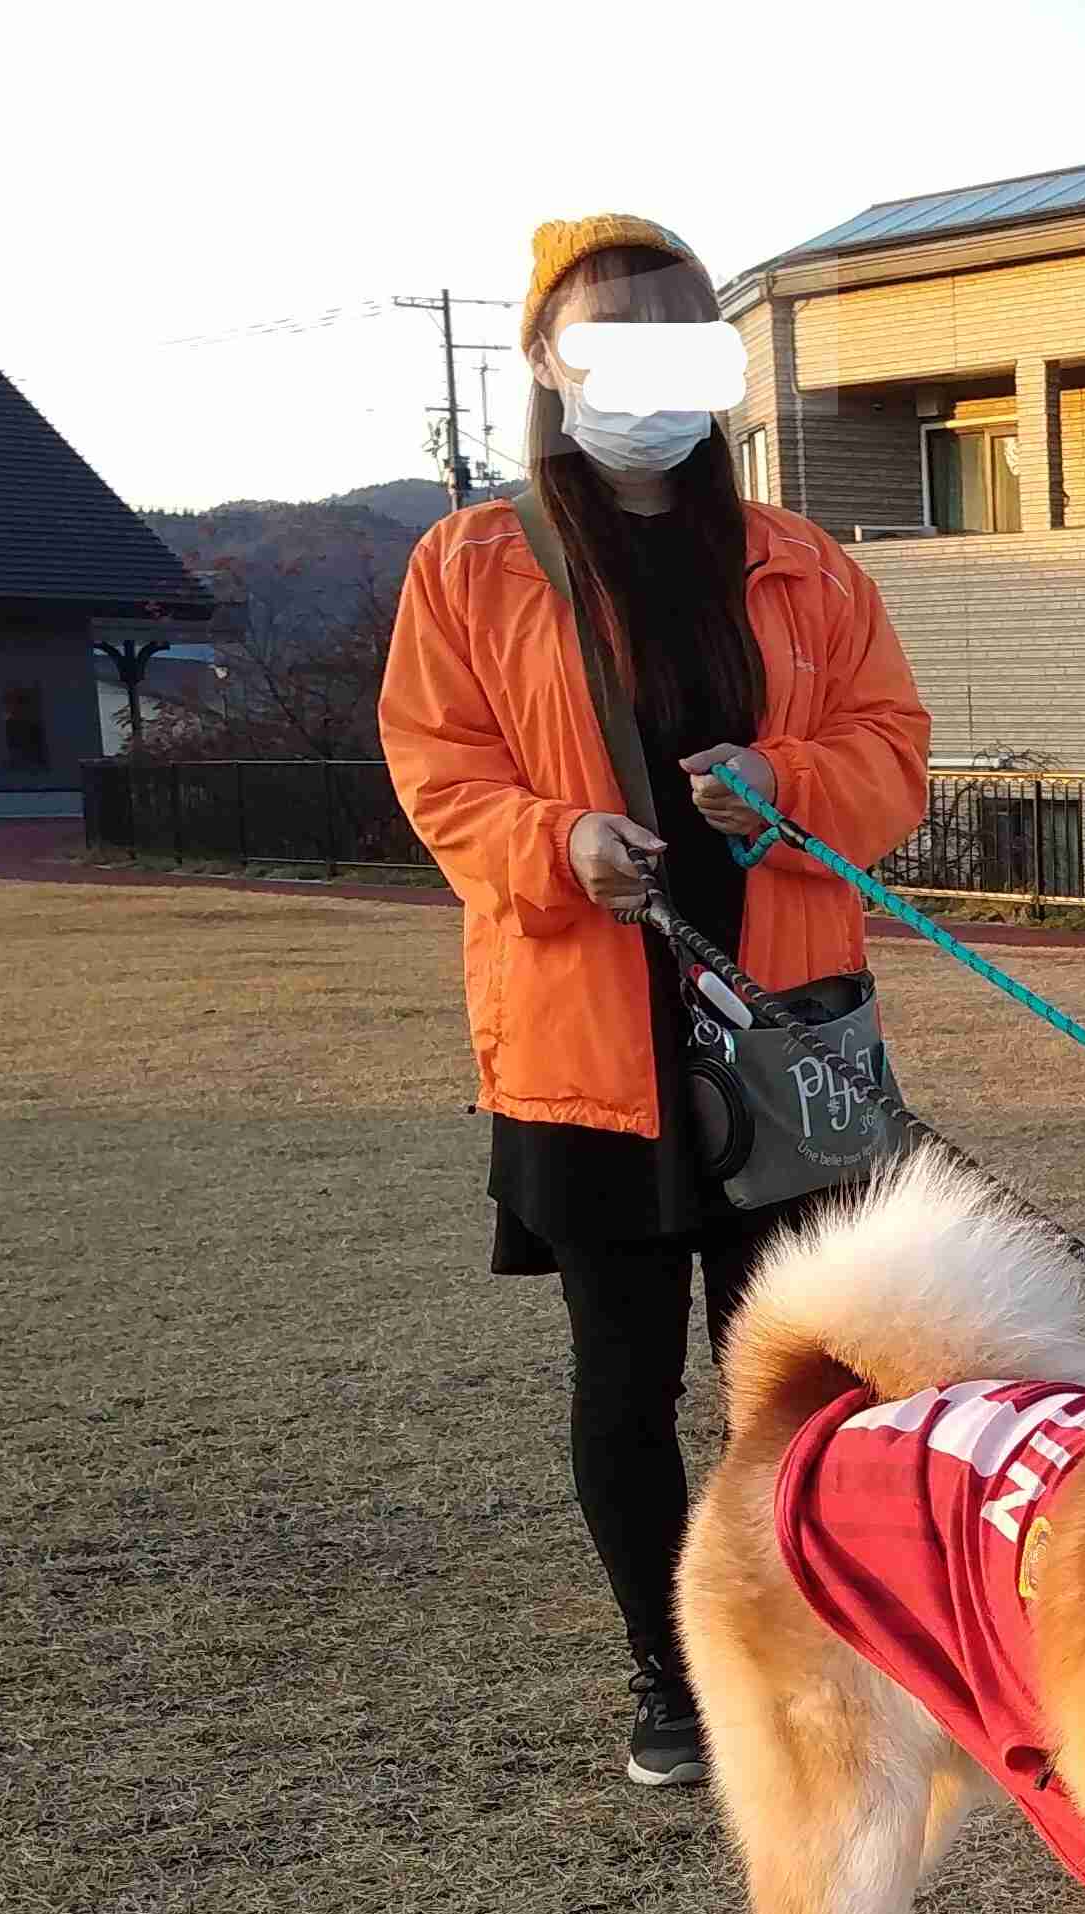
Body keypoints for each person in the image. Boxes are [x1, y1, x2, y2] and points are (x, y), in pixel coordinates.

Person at [381, 213, 931, 1786]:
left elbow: (893, 756)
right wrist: (557, 843)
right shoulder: (470, 566)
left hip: (779, 1022)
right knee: (623, 1381)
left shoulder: (805, 565)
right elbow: (438, 769)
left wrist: (787, 782)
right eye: (608, 344)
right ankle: (667, 1672)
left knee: (803, 1372)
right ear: (549, 366)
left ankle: (814, 1647)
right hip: (587, 1042)